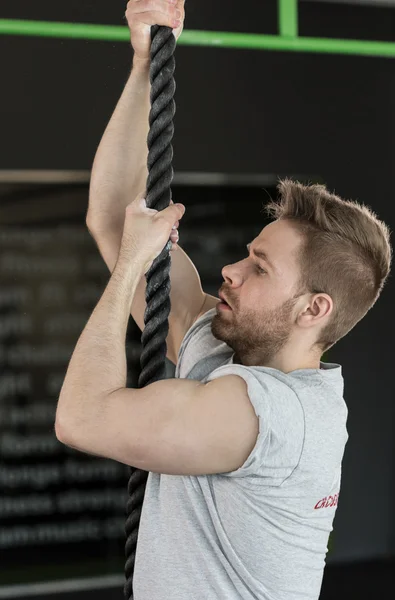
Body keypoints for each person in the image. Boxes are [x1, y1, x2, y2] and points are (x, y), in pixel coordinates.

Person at [55, 1, 392, 599]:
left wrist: (137, 259)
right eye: (246, 254)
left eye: (259, 267)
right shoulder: (229, 353)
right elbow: (113, 217)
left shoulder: (272, 416)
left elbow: (82, 418)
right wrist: (143, 65)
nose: (230, 271)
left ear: (313, 309)